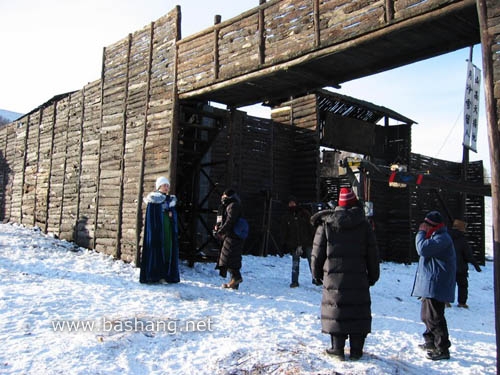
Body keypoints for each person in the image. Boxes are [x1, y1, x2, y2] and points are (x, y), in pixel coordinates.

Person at [311, 187, 380, 361]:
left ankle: (337, 349)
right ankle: (356, 350)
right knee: (357, 310)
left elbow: (317, 253)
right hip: (358, 278)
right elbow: (373, 254)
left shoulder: (327, 224)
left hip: (334, 279)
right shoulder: (363, 225)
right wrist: (373, 276)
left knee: (337, 310)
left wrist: (317, 274)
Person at [412, 211, 456, 361]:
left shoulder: (442, 238)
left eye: (427, 224)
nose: (424, 226)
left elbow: (422, 249)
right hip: (431, 283)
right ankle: (430, 342)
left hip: (437, 284)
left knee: (435, 317)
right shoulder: (436, 237)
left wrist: (420, 232)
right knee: (426, 316)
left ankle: (442, 347)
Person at [139, 176, 180, 284]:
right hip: (157, 230)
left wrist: (171, 214)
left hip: (167, 229)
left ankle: (166, 275)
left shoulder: (170, 199)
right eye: (164, 185)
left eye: (168, 185)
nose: (167, 187)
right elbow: (153, 217)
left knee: (167, 250)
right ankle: (156, 275)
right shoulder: (154, 198)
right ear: (159, 186)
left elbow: (172, 213)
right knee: (157, 250)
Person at [280, 195, 314, 288]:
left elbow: (311, 227)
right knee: (295, 263)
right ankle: (294, 281)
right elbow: (284, 231)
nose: (291, 204)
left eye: (293, 203)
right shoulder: (286, 216)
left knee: (312, 261)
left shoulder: (304, 213)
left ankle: (316, 279)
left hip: (307, 242)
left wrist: (314, 239)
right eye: (290, 203)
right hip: (294, 243)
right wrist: (283, 243)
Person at [214, 188, 244, 290]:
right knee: (233, 258)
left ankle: (236, 278)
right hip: (233, 235)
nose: (222, 197)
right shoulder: (231, 205)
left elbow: (230, 221)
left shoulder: (233, 205)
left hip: (232, 235)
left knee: (227, 258)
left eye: (224, 195)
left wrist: (221, 231)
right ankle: (234, 283)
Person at [449, 219, 481, 308]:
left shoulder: (447, 237)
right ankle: (462, 303)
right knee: (462, 285)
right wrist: (476, 265)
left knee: (448, 284)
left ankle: (445, 301)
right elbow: (468, 255)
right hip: (460, 267)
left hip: (448, 266)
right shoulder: (462, 240)